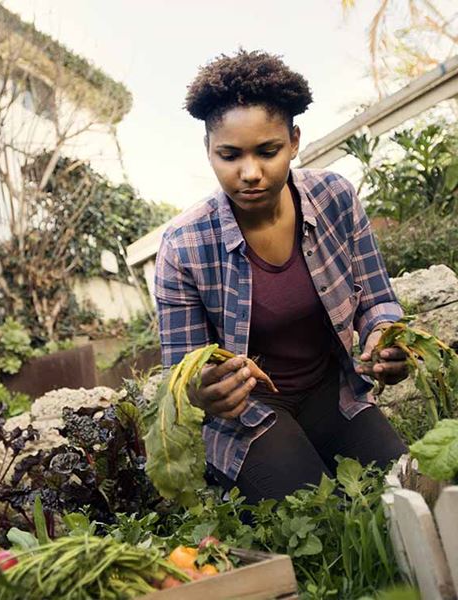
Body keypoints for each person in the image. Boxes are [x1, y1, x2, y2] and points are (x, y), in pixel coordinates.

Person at [154, 49, 408, 504]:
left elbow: (379, 302)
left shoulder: (335, 198)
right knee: (318, 519)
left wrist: (386, 337)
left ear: (293, 141)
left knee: (407, 490)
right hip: (251, 413)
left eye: (268, 151)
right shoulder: (183, 246)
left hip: (334, 392)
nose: (250, 173)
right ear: (208, 150)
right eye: (229, 155)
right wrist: (205, 394)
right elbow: (184, 371)